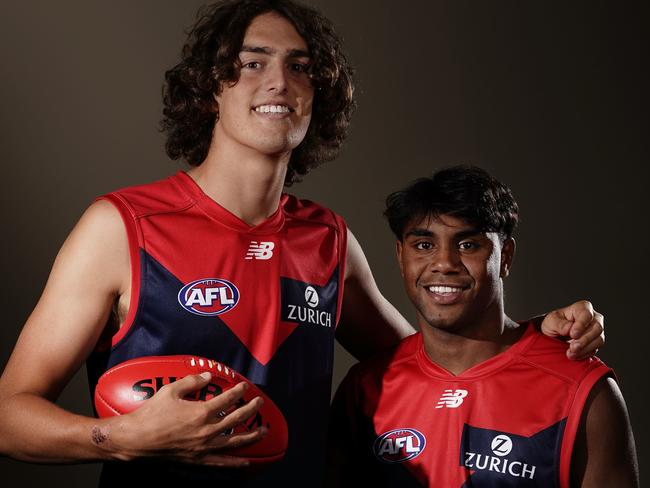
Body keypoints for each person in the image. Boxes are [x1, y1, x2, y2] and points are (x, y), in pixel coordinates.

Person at [0, 1, 604, 486]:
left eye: (301, 66)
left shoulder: (328, 240)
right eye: (254, 62)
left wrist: (535, 336)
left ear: (321, 95)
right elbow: (8, 416)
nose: (281, 82)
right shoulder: (123, 225)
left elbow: (435, 364)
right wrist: (118, 441)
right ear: (212, 85)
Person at [327, 166, 638, 487]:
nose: (444, 263)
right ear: (400, 256)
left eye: (467, 245)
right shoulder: (365, 389)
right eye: (423, 245)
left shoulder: (580, 387)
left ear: (505, 256)